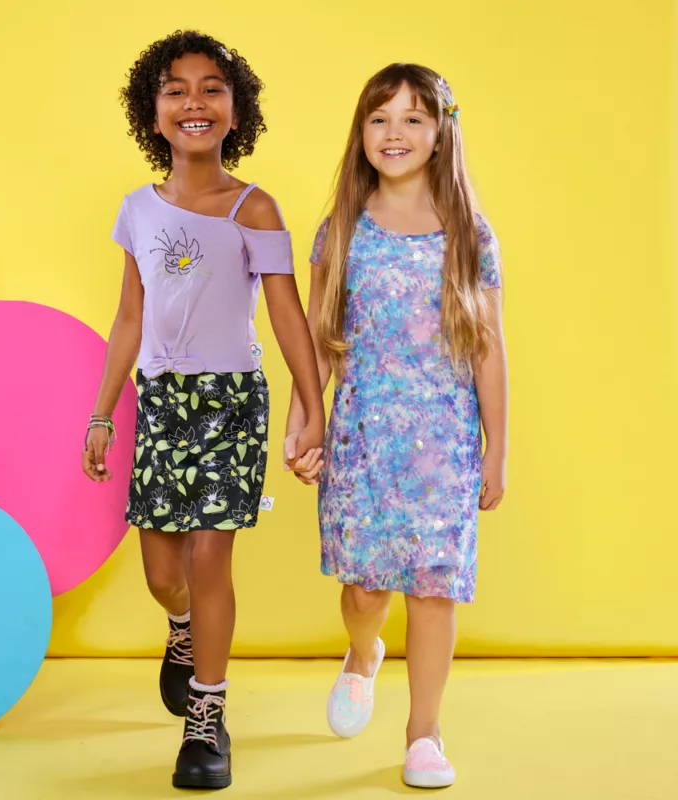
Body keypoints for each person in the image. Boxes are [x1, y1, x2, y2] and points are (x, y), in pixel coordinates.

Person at [83, 30, 324, 791]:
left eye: (212, 88)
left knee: (211, 555)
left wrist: (312, 406)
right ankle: (182, 632)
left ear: (235, 110)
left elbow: (286, 315)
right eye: (176, 89)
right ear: (153, 113)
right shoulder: (137, 211)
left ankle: (207, 718)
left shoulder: (255, 209)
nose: (195, 101)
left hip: (231, 401)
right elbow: (129, 317)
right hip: (161, 401)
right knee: (164, 572)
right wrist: (101, 413)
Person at [285, 63, 508, 789]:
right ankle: (363, 653)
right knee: (365, 591)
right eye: (380, 118)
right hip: (362, 440)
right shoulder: (342, 231)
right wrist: (304, 423)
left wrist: (496, 449)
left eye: (414, 118)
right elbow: (318, 339)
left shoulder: (470, 236)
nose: (395, 133)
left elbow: (489, 349)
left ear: (442, 133)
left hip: (444, 441)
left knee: (434, 591)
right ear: (361, 132)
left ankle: (424, 734)